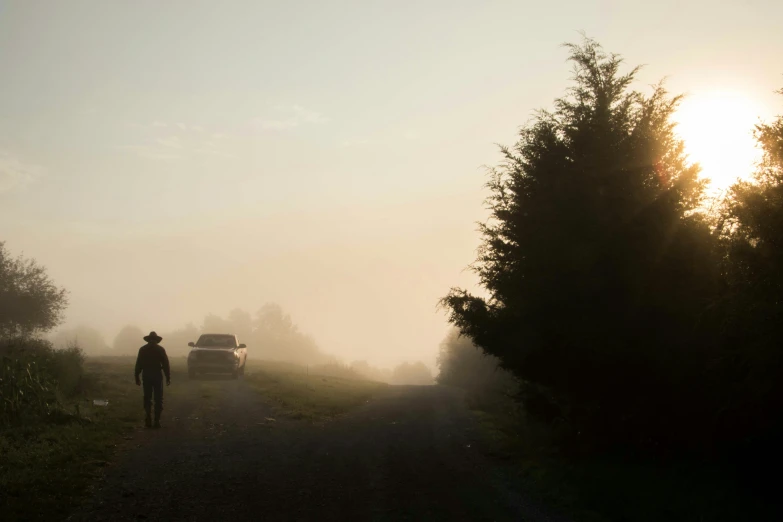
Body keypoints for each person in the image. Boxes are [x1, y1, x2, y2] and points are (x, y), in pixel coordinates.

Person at [134, 331, 171, 428]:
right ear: (156, 340)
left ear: (148, 340)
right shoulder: (160, 349)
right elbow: (166, 364)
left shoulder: (143, 349)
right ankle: (157, 421)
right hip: (157, 375)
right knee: (158, 399)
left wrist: (137, 377)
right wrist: (167, 377)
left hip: (146, 375)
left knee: (147, 398)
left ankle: (148, 419)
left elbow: (138, 364)